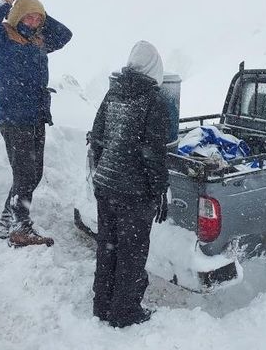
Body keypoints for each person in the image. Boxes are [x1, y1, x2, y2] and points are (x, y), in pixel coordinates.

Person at [0, 0, 72, 247]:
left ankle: (8, 223)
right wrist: (8, 0)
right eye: (27, 18)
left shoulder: (38, 42)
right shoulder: (1, 38)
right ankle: (20, 228)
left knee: (32, 172)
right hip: (14, 115)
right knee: (25, 174)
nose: (32, 22)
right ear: (16, 17)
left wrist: (38, 10)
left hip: (35, 115)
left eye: (36, 19)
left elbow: (65, 35)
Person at [90, 41, 170, 328]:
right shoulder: (154, 101)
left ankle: (102, 304)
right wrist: (160, 189)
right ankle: (125, 312)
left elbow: (97, 138)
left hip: (106, 185)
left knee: (108, 247)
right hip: (133, 192)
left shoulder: (114, 92)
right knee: (132, 253)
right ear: (153, 68)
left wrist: (102, 171)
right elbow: (153, 153)